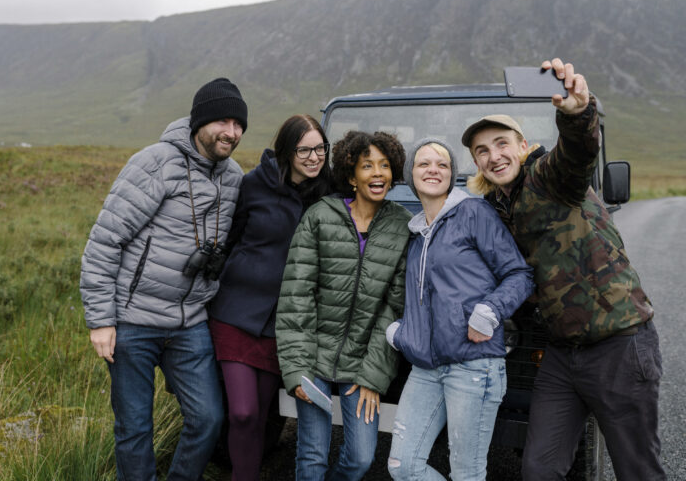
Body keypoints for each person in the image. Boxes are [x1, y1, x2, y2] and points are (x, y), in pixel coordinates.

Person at [461, 58, 665, 481]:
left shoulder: (546, 178)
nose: (493, 156)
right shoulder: (497, 207)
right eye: (482, 151)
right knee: (539, 469)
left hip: (618, 345)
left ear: (521, 145)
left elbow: (576, 154)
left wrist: (576, 113)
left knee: (638, 470)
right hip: (560, 354)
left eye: (501, 143)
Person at [80, 77, 247, 481]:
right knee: (135, 429)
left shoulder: (234, 176)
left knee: (208, 419)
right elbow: (105, 241)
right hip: (132, 321)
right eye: (223, 121)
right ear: (200, 121)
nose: (232, 132)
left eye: (239, 124)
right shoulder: (154, 162)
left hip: (190, 322)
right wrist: (101, 319)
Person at [384, 139, 534, 480]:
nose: (433, 170)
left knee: (467, 474)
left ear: (452, 175)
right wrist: (403, 333)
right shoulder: (417, 232)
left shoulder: (473, 213)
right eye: (424, 164)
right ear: (411, 174)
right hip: (426, 367)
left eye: (442, 164)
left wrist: (489, 311)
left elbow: (520, 274)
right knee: (403, 467)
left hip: (474, 366)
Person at [276, 130, 412, 481]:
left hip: (360, 367)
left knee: (361, 459)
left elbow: (393, 309)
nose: (378, 174)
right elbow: (296, 297)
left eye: (385, 166)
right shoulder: (320, 216)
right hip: (313, 359)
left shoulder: (400, 225)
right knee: (311, 459)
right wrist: (297, 369)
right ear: (352, 176)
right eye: (368, 166)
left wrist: (373, 376)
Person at [207, 114, 332, 481]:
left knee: (261, 416)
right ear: (286, 151)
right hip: (235, 313)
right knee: (242, 412)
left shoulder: (327, 193)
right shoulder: (253, 185)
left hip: (283, 322)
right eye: (304, 150)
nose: (313, 157)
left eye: (320, 149)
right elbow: (231, 238)